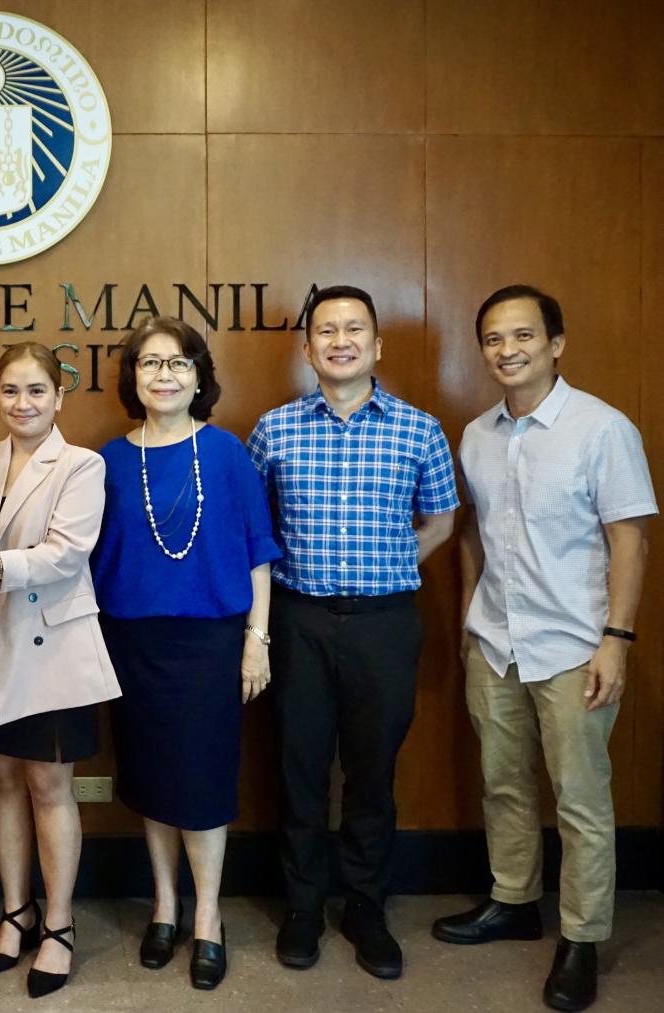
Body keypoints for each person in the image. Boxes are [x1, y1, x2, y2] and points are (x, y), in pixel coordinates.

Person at [432, 286, 654, 1012]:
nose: (508, 350)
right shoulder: (476, 434)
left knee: (582, 799)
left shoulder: (602, 429)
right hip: (495, 639)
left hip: (572, 645)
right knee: (504, 781)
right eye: (494, 339)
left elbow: (630, 536)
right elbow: (471, 532)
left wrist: (615, 640)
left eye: (523, 335)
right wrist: (470, 617)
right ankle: (513, 898)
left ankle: (582, 937)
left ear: (556, 343)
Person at [247, 285, 458, 980]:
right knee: (300, 768)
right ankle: (304, 905)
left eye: (354, 329)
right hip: (298, 618)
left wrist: (392, 563)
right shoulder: (274, 429)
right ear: (307, 347)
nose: (340, 340)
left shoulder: (418, 428)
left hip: (384, 622)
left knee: (372, 771)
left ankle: (366, 904)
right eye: (326, 330)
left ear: (377, 344)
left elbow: (441, 520)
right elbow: (252, 529)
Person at [92, 316, 279, 991]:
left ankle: (207, 916)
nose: (163, 374)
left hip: (210, 643)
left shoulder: (227, 453)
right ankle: (164, 906)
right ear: (132, 377)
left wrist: (256, 642)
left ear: (199, 376)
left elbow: (259, 553)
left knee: (201, 782)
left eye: (178, 363)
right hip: (132, 642)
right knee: (148, 777)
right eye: (149, 363)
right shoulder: (109, 459)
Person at [0, 342, 121, 998]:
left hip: (51, 651)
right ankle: (15, 913)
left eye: (36, 390)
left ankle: (59, 924)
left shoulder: (81, 465)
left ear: (59, 396)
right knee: (5, 782)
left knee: (50, 786)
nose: (23, 403)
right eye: (11, 391)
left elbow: (66, 556)